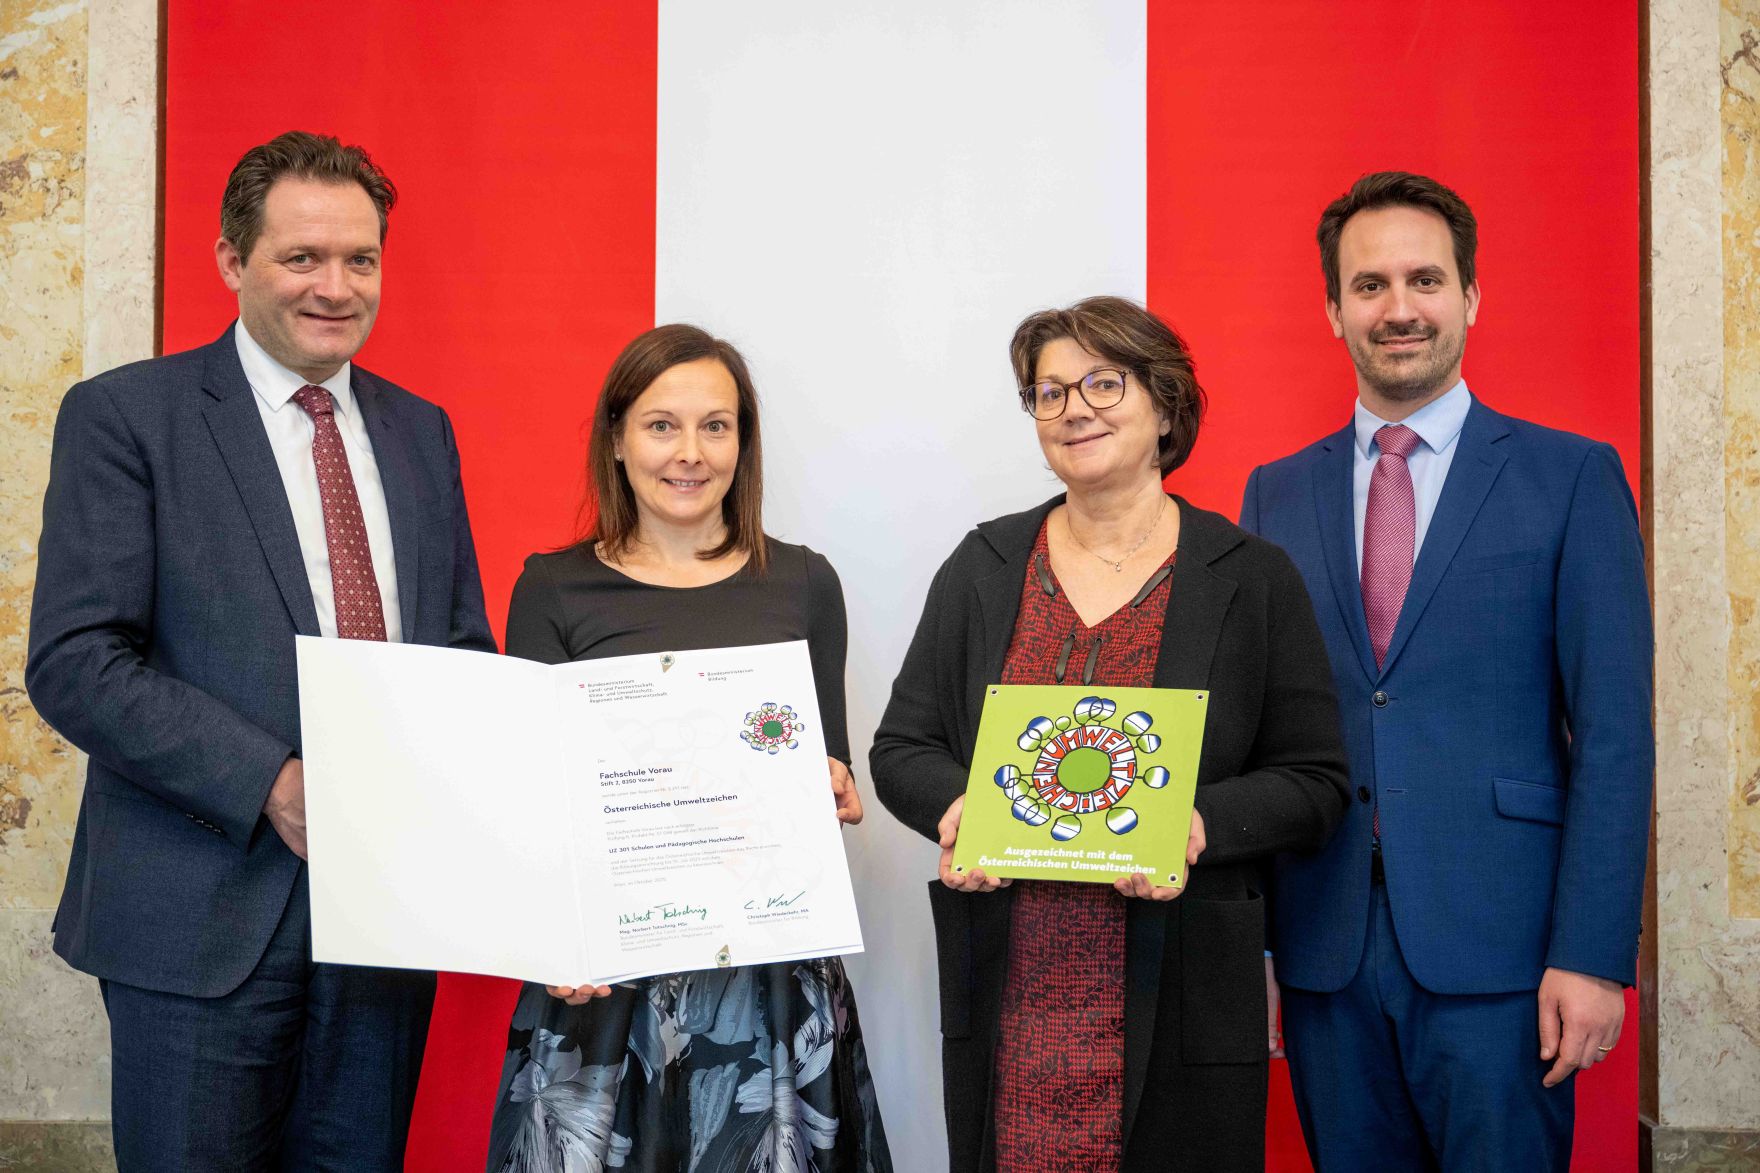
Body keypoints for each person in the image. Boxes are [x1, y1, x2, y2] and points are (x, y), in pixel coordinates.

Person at [25, 131, 496, 1169]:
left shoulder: (421, 432)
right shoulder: (127, 418)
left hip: (386, 925)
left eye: (360, 259)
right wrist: (274, 783)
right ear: (232, 261)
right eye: (302, 257)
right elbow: (76, 660)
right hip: (198, 921)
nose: (336, 287)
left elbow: (459, 654)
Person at [870, 296, 1350, 1173]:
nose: (1073, 409)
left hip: (1181, 992)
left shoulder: (1251, 578)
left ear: (1165, 405)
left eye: (1102, 383)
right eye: (1049, 392)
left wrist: (1195, 825)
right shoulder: (984, 567)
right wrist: (960, 807)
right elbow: (902, 748)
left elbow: (1316, 779)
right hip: (1014, 996)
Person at [1239, 171, 1653, 1171]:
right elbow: (1253, 736)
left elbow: (1613, 737)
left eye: (1424, 280)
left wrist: (1593, 955)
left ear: (1470, 296)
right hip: (1324, 953)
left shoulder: (1569, 476)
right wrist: (1254, 946)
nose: (1398, 308)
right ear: (1332, 309)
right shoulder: (1274, 494)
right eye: (1369, 285)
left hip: (1507, 957)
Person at [483, 324, 892, 1173]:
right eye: (662, 425)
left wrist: (833, 786)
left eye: (716, 425)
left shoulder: (804, 583)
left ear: (743, 443)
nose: (690, 453)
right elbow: (530, 805)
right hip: (606, 990)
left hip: (768, 989)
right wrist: (550, 937)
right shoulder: (553, 588)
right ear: (617, 439)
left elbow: (825, 770)